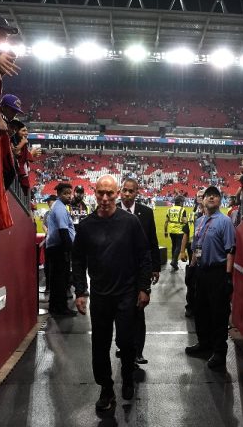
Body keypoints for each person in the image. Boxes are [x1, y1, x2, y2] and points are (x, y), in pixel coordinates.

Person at [72, 175, 152, 410]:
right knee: (99, 345)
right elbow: (77, 261)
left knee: (126, 343)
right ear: (94, 193)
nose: (105, 198)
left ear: (117, 194)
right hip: (100, 296)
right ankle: (106, 388)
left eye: (109, 193)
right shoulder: (86, 226)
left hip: (127, 295)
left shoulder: (130, 223)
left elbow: (144, 256)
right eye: (100, 193)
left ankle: (127, 378)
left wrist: (144, 288)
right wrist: (80, 291)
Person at [185, 186, 236, 371]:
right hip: (201, 271)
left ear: (219, 200)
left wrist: (228, 275)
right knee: (201, 310)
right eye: (208, 195)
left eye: (215, 196)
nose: (211, 198)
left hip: (217, 272)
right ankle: (204, 344)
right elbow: (195, 247)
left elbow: (231, 249)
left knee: (218, 313)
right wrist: (191, 269)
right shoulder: (199, 221)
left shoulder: (225, 222)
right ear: (202, 200)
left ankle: (219, 352)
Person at [117, 178, 160, 365]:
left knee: (138, 312)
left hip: (138, 272)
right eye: (124, 190)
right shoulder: (112, 210)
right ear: (120, 191)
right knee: (119, 312)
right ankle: (122, 346)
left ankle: (138, 351)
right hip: (117, 273)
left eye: (131, 191)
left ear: (137, 193)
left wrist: (156, 267)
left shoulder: (146, 213)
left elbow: (152, 241)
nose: (127, 194)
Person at [45, 183, 76, 316]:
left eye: (70, 193)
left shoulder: (59, 207)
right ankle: (61, 309)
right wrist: (69, 250)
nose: (69, 196)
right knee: (61, 280)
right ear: (58, 194)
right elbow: (63, 231)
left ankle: (55, 307)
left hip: (56, 248)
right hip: (59, 248)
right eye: (65, 193)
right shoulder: (60, 209)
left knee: (58, 280)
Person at [164, 196, 188, 271]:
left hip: (171, 230)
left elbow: (166, 221)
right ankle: (174, 261)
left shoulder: (169, 209)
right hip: (179, 230)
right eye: (182, 202)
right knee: (179, 246)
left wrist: (165, 231)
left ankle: (174, 261)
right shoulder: (182, 209)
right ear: (180, 202)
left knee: (174, 245)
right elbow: (184, 221)